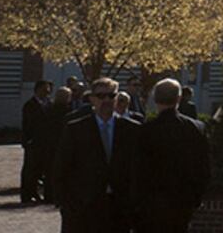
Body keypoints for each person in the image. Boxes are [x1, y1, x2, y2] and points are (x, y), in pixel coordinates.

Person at [52, 76, 139, 233]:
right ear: (92, 99)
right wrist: (65, 204)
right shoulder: (76, 129)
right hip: (84, 207)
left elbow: (139, 169)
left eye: (111, 96)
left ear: (117, 97)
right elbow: (62, 166)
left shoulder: (132, 129)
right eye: (100, 96)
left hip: (119, 207)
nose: (106, 100)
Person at [133, 78, 209, 233]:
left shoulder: (145, 131)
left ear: (155, 100)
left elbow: (136, 169)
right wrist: (196, 197)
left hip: (151, 202)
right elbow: (203, 166)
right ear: (179, 98)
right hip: (182, 200)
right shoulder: (196, 128)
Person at [22, 80, 54, 203]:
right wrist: (27, 140)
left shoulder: (50, 104)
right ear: (38, 89)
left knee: (45, 169)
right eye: (45, 89)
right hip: (34, 142)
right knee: (31, 170)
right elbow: (27, 124)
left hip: (46, 143)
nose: (47, 92)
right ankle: (27, 194)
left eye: (48, 90)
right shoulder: (30, 105)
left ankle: (44, 194)